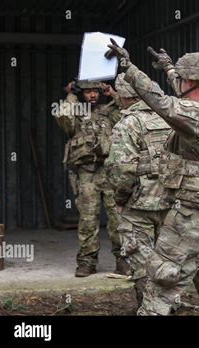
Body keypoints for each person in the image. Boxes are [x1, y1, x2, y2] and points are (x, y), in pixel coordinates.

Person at [106, 41, 199, 315]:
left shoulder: (197, 116)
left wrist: (129, 67)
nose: (177, 82)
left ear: (190, 81)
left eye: (181, 79)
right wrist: (169, 68)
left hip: (191, 221)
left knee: (159, 285)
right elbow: (186, 96)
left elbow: (162, 103)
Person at [105, 73, 171, 305]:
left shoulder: (128, 123)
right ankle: (170, 305)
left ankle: (150, 307)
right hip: (171, 202)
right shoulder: (169, 117)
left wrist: (121, 199)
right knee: (167, 260)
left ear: (123, 97)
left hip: (139, 204)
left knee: (141, 261)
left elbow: (122, 169)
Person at [54, 80, 129, 277]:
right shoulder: (76, 113)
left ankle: (123, 260)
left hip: (111, 172)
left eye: (96, 91)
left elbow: (131, 111)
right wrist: (70, 94)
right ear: (81, 94)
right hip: (87, 173)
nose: (92, 95)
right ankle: (87, 262)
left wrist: (113, 93)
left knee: (117, 219)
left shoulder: (109, 111)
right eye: (87, 92)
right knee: (88, 220)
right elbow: (62, 116)